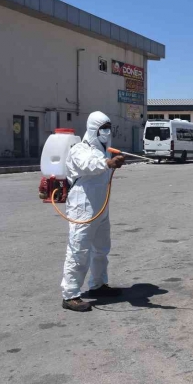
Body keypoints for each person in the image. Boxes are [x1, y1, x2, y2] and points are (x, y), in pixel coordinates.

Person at [61, 112, 126, 312]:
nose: (106, 132)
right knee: (78, 250)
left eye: (109, 128)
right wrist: (107, 163)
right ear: (93, 129)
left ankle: (98, 285)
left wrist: (110, 161)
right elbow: (88, 164)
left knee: (101, 249)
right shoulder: (80, 150)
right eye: (103, 129)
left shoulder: (104, 151)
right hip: (83, 207)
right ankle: (70, 294)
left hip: (101, 207)